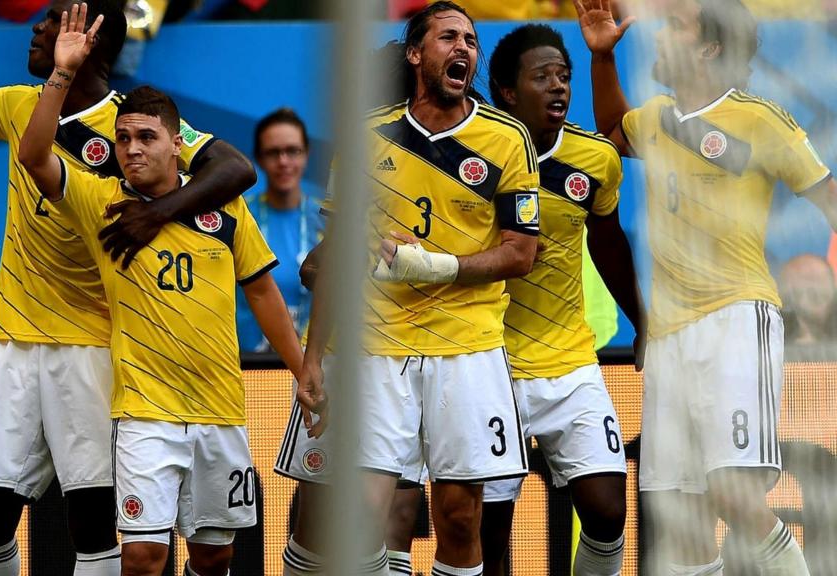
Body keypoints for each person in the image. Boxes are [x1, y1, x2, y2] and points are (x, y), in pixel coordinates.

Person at [0, 1, 256, 574]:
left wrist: (155, 214)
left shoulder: (131, 125)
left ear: (88, 38)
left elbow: (234, 168)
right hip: (16, 342)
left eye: (51, 19)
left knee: (94, 523)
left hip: (97, 346)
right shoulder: (22, 106)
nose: (36, 27)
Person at [15, 7, 303, 575]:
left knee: (215, 556)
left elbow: (264, 292)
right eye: (122, 139)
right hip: (145, 414)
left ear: (178, 145)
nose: (131, 149)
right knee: (144, 557)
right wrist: (63, 73)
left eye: (147, 137)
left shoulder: (223, 209)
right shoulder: (101, 204)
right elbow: (32, 156)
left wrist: (303, 372)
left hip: (221, 411)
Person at [276, 4, 542, 575]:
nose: (464, 48)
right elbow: (335, 262)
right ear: (416, 54)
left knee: (460, 517)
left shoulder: (506, 138)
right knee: (360, 514)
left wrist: (433, 267)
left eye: (471, 39)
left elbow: (521, 253)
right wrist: (314, 359)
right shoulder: (368, 136)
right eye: (448, 37)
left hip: (467, 350)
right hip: (376, 348)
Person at [575, 0, 837, 573]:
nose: (660, 37)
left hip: (736, 319)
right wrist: (602, 59)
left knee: (735, 496)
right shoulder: (660, 115)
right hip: (669, 337)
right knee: (680, 514)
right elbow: (614, 132)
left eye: (676, 27)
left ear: (709, 49)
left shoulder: (761, 119)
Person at [383, 24, 645, 576]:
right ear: (505, 90)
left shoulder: (594, 159)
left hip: (569, 358)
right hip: (488, 362)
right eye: (542, 76)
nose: (558, 88)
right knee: (484, 530)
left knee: (608, 510)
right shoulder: (470, 152)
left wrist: (643, 321)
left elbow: (608, 240)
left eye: (564, 76)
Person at [236, 108, 323, 352]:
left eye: (293, 151)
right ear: (259, 158)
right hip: (252, 366)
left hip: (313, 364)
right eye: (273, 153)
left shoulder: (327, 221)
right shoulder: (239, 217)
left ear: (307, 154)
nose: (283, 161)